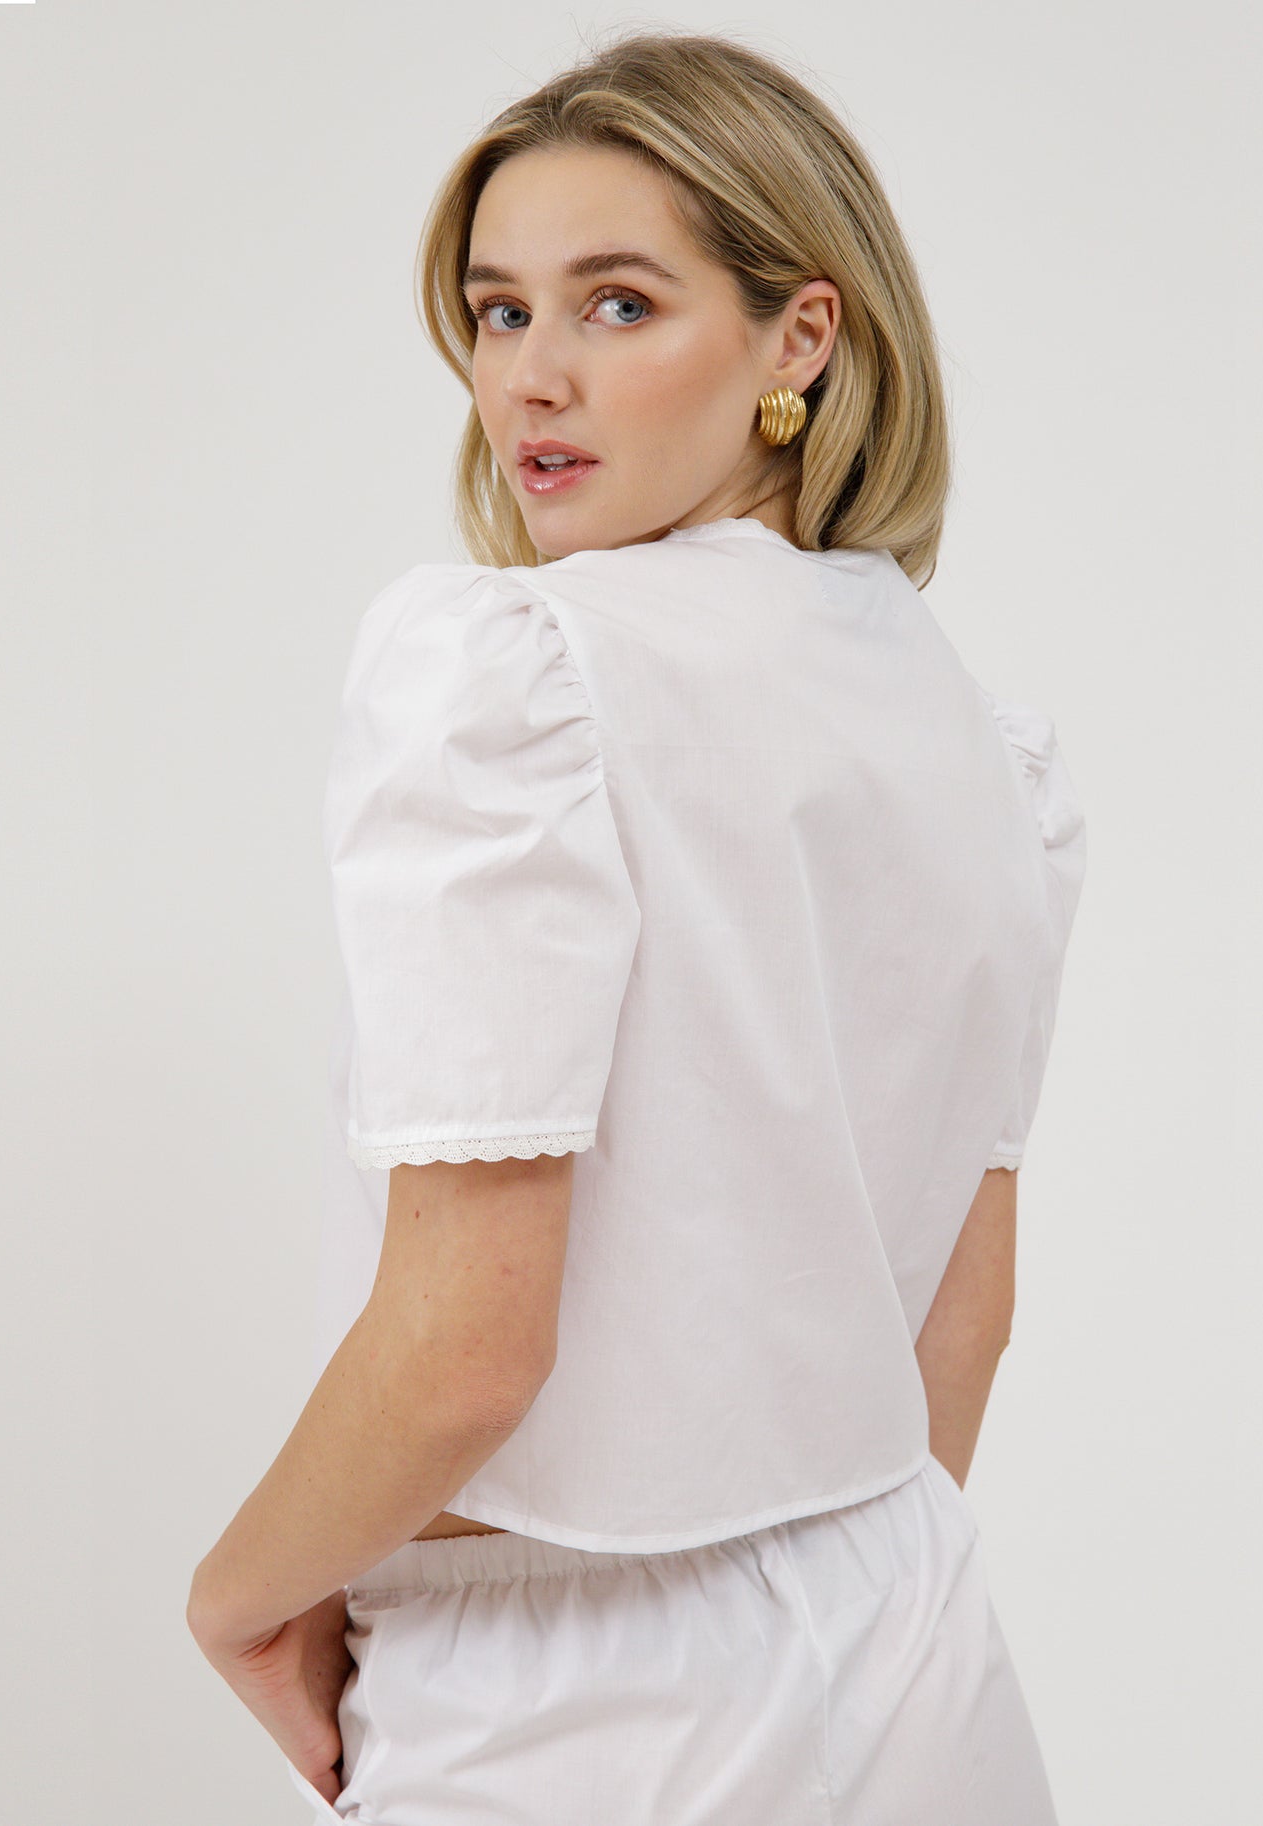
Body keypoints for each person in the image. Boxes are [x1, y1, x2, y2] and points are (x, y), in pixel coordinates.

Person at [186, 27, 1088, 1826]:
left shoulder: (515, 676)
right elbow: (962, 1321)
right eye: (496, 310)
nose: (531, 378)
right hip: (909, 1623)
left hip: (572, 1700)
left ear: (799, 337)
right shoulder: (979, 746)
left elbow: (464, 1350)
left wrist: (240, 1596)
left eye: (616, 304)